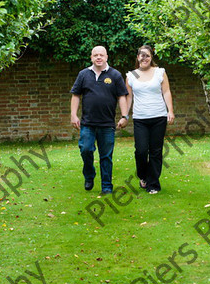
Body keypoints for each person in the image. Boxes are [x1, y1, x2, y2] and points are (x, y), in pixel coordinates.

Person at [70, 46, 129, 194]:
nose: (98, 57)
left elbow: (122, 96)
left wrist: (124, 116)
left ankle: (107, 187)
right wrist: (73, 114)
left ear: (106, 57)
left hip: (107, 124)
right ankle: (89, 175)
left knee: (106, 156)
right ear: (91, 57)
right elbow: (76, 95)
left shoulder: (115, 75)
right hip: (87, 124)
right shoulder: (83, 74)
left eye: (101, 55)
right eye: (95, 55)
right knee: (85, 149)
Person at [126, 45, 174, 194]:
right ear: (137, 57)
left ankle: (153, 184)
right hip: (140, 118)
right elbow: (128, 97)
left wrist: (170, 111)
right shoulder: (132, 75)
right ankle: (143, 176)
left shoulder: (159, 72)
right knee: (140, 151)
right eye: (141, 55)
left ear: (151, 57)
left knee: (155, 151)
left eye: (147, 55)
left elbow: (166, 92)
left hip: (158, 117)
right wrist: (124, 115)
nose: (144, 58)